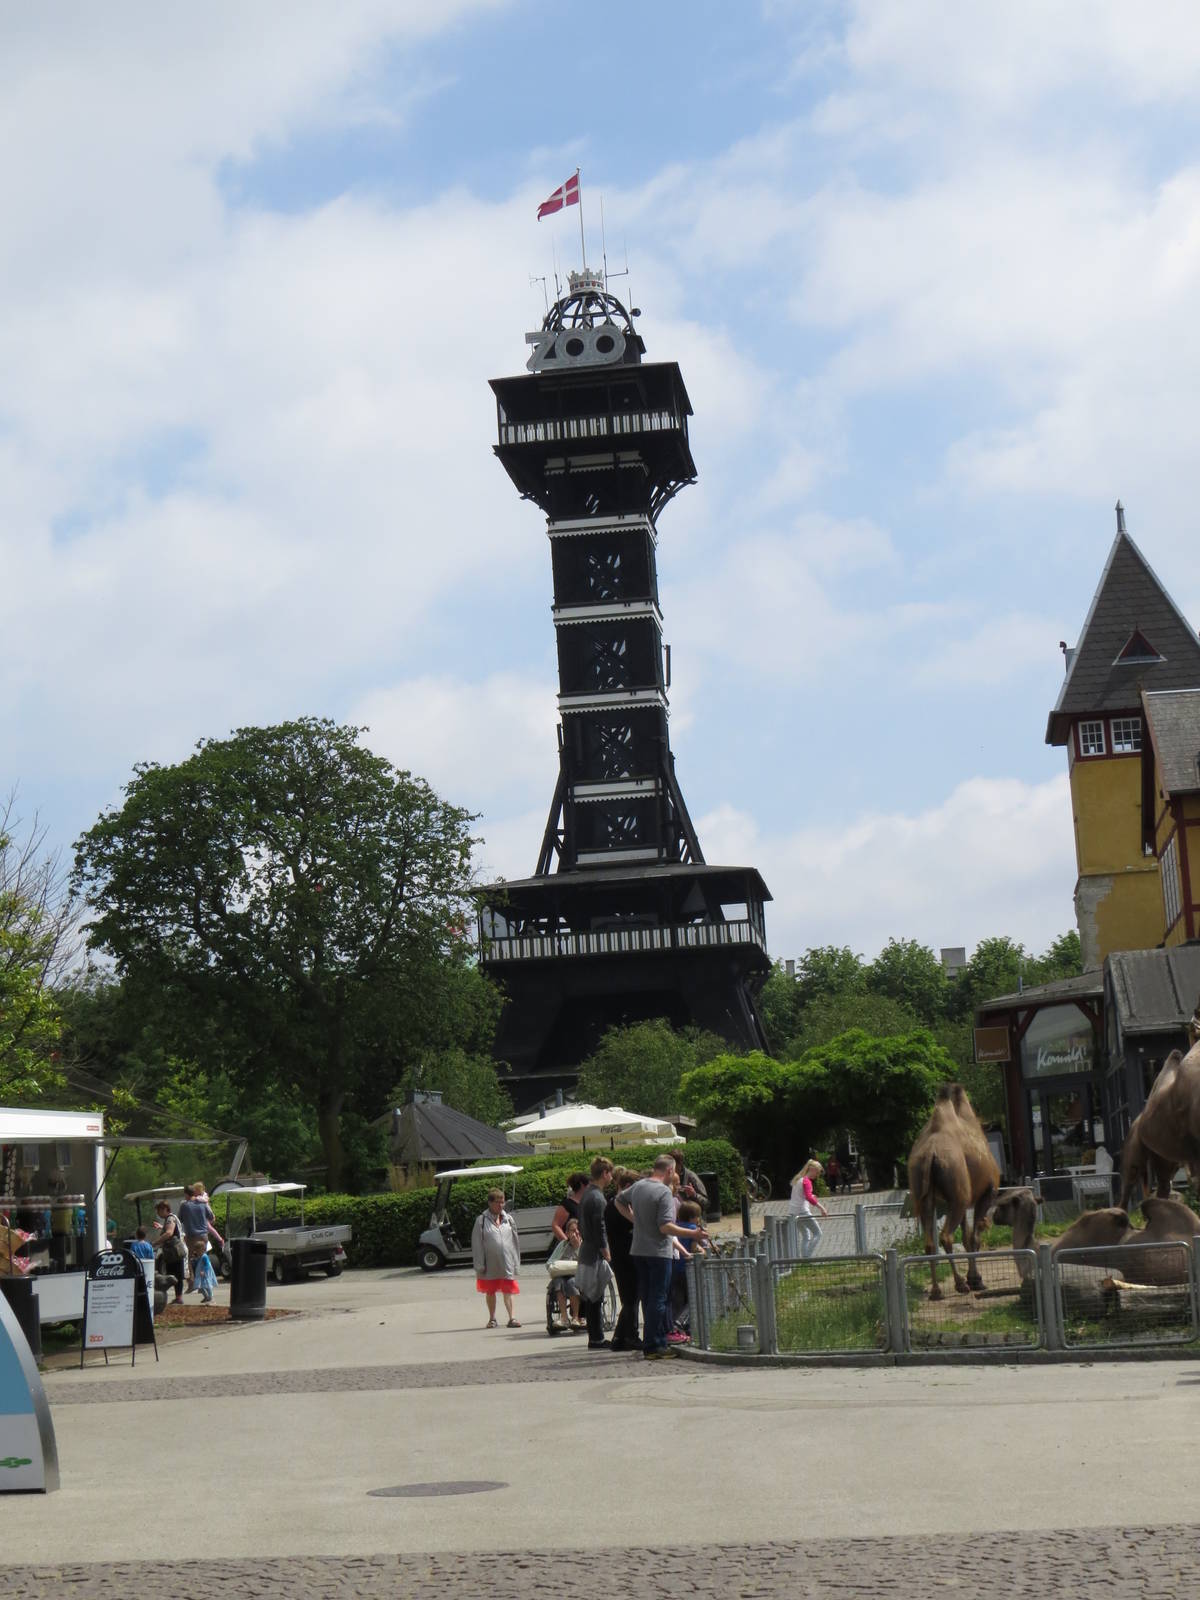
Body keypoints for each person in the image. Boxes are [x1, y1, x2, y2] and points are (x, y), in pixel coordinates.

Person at [616, 1152, 710, 1360]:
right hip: (658, 1252)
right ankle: (654, 1345)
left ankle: (653, 1341)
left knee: (648, 1297)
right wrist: (693, 1233)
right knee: (659, 1298)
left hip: (638, 1250)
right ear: (669, 1170)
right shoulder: (664, 1192)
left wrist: (634, 1219)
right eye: (674, 1171)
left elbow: (618, 1200)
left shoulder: (639, 1186)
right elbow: (666, 1227)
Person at [470, 1187, 522, 1329]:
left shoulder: (508, 1219)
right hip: (490, 1263)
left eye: (503, 1202)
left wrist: (516, 1261)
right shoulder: (481, 1220)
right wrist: (480, 1264)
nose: (501, 1205)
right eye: (498, 1202)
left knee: (509, 1289)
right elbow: (477, 1244)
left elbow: (515, 1242)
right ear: (490, 1203)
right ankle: (492, 1319)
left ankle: (512, 1318)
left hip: (507, 1261)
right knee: (490, 1290)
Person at [577, 1156, 614, 1350]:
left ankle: (595, 1337)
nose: (612, 1177)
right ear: (605, 1173)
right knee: (595, 1296)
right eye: (610, 1173)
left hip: (587, 1249)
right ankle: (597, 1337)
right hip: (594, 1253)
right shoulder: (598, 1197)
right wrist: (606, 1250)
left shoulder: (587, 1194)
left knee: (592, 1296)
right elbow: (600, 1227)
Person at [605, 1168, 641, 1352]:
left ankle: (620, 1337)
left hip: (622, 1256)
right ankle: (630, 1336)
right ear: (627, 1187)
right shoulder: (617, 1206)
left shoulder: (613, 1204)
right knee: (631, 1298)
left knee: (630, 1298)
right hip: (625, 1257)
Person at [668, 1199, 705, 1343]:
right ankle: (681, 1322)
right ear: (693, 1218)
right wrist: (703, 1251)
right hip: (688, 1269)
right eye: (698, 1217)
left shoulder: (676, 1228)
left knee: (677, 1300)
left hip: (674, 1268)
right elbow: (695, 1248)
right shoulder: (693, 1230)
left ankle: (673, 1326)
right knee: (692, 1298)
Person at [177, 1184, 216, 1293]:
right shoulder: (203, 1204)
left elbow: (179, 1220)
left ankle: (192, 1284)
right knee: (203, 1260)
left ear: (186, 1194)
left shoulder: (184, 1206)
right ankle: (205, 1284)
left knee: (188, 1260)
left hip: (191, 1237)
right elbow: (212, 1218)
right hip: (203, 1236)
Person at [788, 1159, 830, 1260]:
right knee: (818, 1233)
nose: (817, 1175)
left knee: (806, 1235)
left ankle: (804, 1259)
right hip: (802, 1211)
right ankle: (807, 1257)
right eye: (818, 1172)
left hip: (793, 1212)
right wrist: (822, 1208)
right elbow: (808, 1197)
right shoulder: (807, 1181)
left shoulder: (798, 1179)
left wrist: (811, 1195)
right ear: (812, 1169)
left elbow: (802, 1195)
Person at [551, 1217, 584, 1330]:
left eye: (577, 1230)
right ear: (567, 1233)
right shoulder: (563, 1245)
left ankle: (575, 1317)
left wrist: (577, 1247)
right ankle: (564, 1318)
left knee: (571, 1282)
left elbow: (587, 1264)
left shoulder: (584, 1245)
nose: (576, 1233)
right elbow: (550, 1262)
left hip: (578, 1276)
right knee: (558, 1282)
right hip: (561, 1275)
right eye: (573, 1230)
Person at [152, 1198, 185, 1304]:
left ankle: (178, 1297)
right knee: (174, 1273)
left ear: (165, 1209)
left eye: (159, 1211)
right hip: (174, 1252)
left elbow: (169, 1233)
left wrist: (155, 1242)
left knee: (175, 1274)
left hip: (174, 1252)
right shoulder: (170, 1219)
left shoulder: (170, 1219)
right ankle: (178, 1296)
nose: (158, 1213)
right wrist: (161, 1227)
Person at [551, 1173, 588, 1244]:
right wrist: (568, 1243)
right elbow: (555, 1225)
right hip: (573, 1249)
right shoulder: (567, 1205)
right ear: (583, 1185)